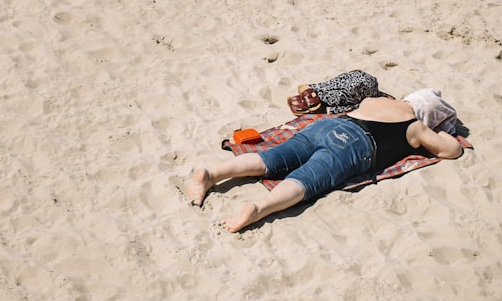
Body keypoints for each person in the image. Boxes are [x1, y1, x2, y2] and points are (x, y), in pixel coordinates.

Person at [187, 94, 464, 232]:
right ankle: (260, 208)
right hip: (354, 145)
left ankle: (211, 174)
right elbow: (451, 151)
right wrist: (437, 132)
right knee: (308, 179)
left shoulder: (375, 100)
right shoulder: (415, 126)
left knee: (270, 158)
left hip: (327, 126)